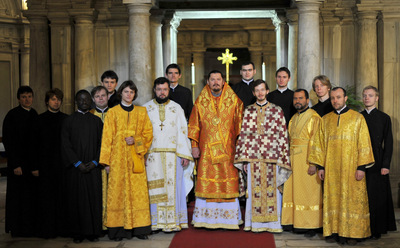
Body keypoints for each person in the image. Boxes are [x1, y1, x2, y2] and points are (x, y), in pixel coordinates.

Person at [309, 87, 375, 246]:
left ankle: (353, 233)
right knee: (333, 200)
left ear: (345, 98)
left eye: (338, 97)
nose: (335, 101)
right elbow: (319, 144)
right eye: (332, 98)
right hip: (331, 169)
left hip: (352, 168)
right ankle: (333, 231)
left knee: (352, 201)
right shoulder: (325, 120)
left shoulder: (357, 118)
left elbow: (364, 143)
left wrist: (361, 167)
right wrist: (321, 167)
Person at [188, 70, 244, 229]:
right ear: (208, 82)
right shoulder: (200, 101)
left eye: (218, 79)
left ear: (223, 81)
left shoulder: (235, 101)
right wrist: (194, 146)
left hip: (228, 150)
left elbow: (240, 126)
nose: (215, 82)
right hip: (206, 152)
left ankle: (229, 219)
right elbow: (194, 125)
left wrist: (240, 148)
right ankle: (205, 220)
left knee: (227, 183)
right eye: (212, 79)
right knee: (207, 183)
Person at [234, 79, 291, 233]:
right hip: (253, 159)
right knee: (254, 191)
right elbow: (244, 136)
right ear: (253, 93)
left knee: (273, 190)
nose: (260, 93)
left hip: (272, 158)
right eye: (257, 90)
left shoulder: (276, 110)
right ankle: (254, 224)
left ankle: (274, 224)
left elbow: (282, 135)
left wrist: (282, 157)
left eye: (262, 90)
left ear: (267, 91)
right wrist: (244, 160)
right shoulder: (249, 111)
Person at [99, 80, 153, 241]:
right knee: (117, 194)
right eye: (126, 92)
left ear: (134, 94)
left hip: (135, 158)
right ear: (120, 93)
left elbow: (148, 135)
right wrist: (106, 162)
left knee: (138, 195)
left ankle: (140, 229)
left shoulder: (141, 112)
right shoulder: (112, 112)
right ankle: (117, 230)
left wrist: (136, 140)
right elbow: (107, 137)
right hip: (117, 160)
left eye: (132, 92)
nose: (129, 95)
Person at [143, 77, 194, 232]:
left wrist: (185, 154)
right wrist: (143, 153)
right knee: (154, 188)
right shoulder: (145, 108)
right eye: (159, 89)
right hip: (152, 155)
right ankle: (155, 222)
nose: (162, 92)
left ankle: (173, 221)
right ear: (154, 90)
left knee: (173, 188)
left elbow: (183, 131)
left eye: (165, 89)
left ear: (168, 90)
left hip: (173, 155)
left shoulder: (176, 108)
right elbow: (142, 133)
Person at [61, 90, 103, 243]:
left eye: (86, 99)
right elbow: (65, 145)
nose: (84, 102)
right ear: (76, 101)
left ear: (90, 101)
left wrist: (95, 162)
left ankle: (93, 232)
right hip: (76, 169)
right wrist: (77, 163)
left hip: (93, 168)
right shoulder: (69, 121)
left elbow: (102, 144)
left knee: (93, 200)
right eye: (81, 99)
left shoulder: (97, 121)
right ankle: (77, 233)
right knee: (76, 201)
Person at [281, 89, 323, 237]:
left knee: (308, 193)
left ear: (307, 100)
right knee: (294, 192)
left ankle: (311, 225)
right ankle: (293, 221)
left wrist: (313, 163)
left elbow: (317, 141)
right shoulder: (293, 118)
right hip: (293, 160)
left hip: (307, 161)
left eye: (300, 98)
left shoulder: (314, 117)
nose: (297, 101)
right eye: (295, 98)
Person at [31, 89, 68, 238]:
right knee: (46, 199)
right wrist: (34, 166)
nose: (56, 102)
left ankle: (62, 229)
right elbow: (33, 145)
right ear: (47, 101)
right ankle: (47, 230)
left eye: (58, 99)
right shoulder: (39, 120)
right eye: (53, 99)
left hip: (62, 165)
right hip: (44, 166)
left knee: (62, 198)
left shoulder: (66, 119)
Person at [361, 86, 396, 239]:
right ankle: (363, 228)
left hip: (378, 160)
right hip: (361, 161)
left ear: (377, 98)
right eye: (364, 95)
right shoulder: (358, 117)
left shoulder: (384, 117)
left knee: (377, 196)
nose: (366, 98)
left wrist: (386, 165)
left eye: (370, 95)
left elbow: (388, 143)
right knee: (363, 195)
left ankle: (377, 229)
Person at [2, 86, 38, 237]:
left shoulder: (35, 114)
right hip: (18, 164)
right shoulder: (12, 115)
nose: (27, 99)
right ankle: (17, 228)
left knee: (30, 196)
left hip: (32, 163)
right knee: (18, 197)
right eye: (24, 97)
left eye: (29, 96)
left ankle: (30, 227)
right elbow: (9, 142)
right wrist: (15, 164)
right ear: (18, 99)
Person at [90, 85, 109, 232]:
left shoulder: (115, 112)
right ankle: (99, 223)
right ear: (93, 99)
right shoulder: (89, 114)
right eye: (97, 96)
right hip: (94, 162)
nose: (101, 98)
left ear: (108, 96)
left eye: (103, 95)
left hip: (113, 161)